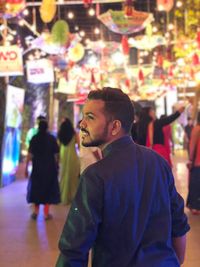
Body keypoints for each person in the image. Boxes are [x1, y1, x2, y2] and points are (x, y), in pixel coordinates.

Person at [56, 87, 190, 267]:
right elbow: (179, 225)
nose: (82, 124)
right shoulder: (158, 162)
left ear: (115, 126)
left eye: (90, 117)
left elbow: (73, 249)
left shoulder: (95, 176)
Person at [25, 120, 60, 220]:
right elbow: (56, 154)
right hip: (49, 167)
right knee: (48, 188)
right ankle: (46, 213)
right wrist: (57, 165)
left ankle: (35, 212)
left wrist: (26, 168)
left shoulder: (34, 138)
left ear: (39, 127)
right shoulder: (51, 138)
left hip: (37, 168)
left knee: (36, 188)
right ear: (47, 127)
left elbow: (30, 154)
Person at [57, 118, 80, 205]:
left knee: (63, 175)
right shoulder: (74, 134)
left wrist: (57, 158)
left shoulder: (60, 134)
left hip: (63, 154)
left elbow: (58, 146)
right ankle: (73, 197)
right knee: (73, 176)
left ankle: (63, 196)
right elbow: (78, 145)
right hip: (72, 155)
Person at [186, 111, 200, 215]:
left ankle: (195, 206)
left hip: (198, 162)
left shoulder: (197, 129)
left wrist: (190, 159)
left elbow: (192, 146)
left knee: (195, 184)